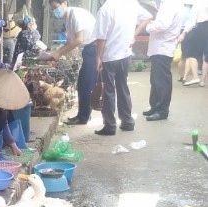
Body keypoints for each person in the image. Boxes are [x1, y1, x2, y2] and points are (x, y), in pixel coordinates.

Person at [92, 0, 152, 136]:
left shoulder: (105, 9)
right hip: (125, 54)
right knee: (123, 87)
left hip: (109, 56)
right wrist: (134, 34)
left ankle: (110, 125)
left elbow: (101, 38)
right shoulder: (130, 4)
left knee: (108, 90)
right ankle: (127, 122)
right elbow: (148, 17)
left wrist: (98, 58)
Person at [44, 0, 96, 126]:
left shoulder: (75, 14)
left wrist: (59, 53)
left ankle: (83, 117)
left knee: (85, 84)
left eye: (56, 7)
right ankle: (84, 115)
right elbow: (70, 42)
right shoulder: (68, 19)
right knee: (84, 84)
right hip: (89, 49)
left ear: (64, 3)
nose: (55, 11)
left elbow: (79, 39)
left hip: (94, 48)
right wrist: (57, 55)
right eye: (53, 9)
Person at [140, 0, 183, 121]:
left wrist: (148, 26)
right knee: (155, 80)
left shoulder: (169, 5)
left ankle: (162, 110)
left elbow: (162, 24)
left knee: (162, 82)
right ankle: (155, 106)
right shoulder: (168, 4)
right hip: (160, 47)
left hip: (163, 47)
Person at [180, 0, 208, 86]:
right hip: (203, 26)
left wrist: (184, 33)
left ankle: (196, 78)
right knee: (206, 56)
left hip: (202, 27)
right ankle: (202, 81)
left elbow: (192, 20)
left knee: (191, 54)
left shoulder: (198, 3)